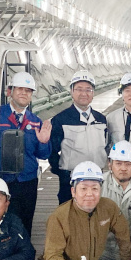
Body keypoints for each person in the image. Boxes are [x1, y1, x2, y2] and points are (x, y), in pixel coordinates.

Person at [0, 71, 52, 236]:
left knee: (26, 222)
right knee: (1, 221)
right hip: (1, 179)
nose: (24, 93)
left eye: (28, 90)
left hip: (27, 180)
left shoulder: (36, 121)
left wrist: (43, 142)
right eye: (19, 88)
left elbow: (43, 155)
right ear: (9, 92)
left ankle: (24, 255)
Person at [49, 69, 109, 204]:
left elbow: (106, 145)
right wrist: (62, 172)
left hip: (96, 177)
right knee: (68, 216)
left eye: (88, 89)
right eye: (79, 89)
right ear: (72, 91)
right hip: (70, 179)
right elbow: (52, 151)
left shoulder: (101, 119)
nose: (84, 93)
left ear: (93, 93)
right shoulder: (61, 119)